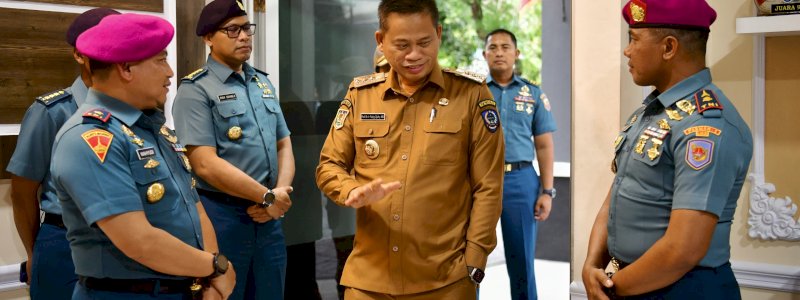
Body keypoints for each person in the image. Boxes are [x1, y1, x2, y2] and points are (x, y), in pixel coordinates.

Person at [315, 0, 505, 298]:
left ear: (438, 34)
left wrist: (475, 257)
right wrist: (351, 189)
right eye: (402, 45)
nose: (414, 54)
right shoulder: (361, 95)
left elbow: (489, 185)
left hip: (445, 279)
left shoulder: (471, 95)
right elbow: (329, 166)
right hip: (369, 279)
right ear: (381, 40)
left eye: (424, 43)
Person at [50, 13, 236, 299]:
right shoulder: (89, 138)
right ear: (126, 68)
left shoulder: (152, 129)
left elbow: (195, 208)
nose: (170, 73)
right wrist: (216, 267)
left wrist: (209, 278)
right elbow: (138, 241)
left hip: (186, 287)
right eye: (161, 60)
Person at [581, 1, 753, 299]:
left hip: (684, 289)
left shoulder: (706, 125)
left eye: (634, 39)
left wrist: (611, 289)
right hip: (630, 282)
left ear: (669, 47)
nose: (627, 51)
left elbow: (683, 250)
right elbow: (618, 193)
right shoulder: (652, 112)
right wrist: (591, 266)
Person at [172, 0, 294, 299]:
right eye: (232, 30)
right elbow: (204, 164)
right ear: (208, 38)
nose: (244, 36)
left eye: (247, 28)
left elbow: (283, 143)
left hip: (268, 218)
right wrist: (267, 197)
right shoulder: (195, 89)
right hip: (223, 218)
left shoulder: (262, 83)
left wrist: (280, 193)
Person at [6, 8, 119, 299]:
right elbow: (22, 192)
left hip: (126, 243)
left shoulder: (137, 111)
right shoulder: (52, 112)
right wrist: (34, 252)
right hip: (64, 243)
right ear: (79, 54)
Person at [483, 28, 557, 300]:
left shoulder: (533, 93)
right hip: (480, 180)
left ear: (517, 53)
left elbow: (544, 145)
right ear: (485, 54)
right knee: (471, 257)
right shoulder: (473, 92)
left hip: (520, 180)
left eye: (505, 47)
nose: (499, 52)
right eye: (493, 47)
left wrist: (547, 192)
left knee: (522, 259)